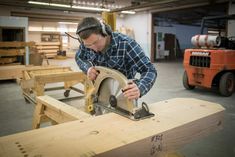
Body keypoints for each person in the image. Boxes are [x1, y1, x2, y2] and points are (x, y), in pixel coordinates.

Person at [75, 17, 157, 100]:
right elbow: (79, 57)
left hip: (123, 95)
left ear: (104, 32)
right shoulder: (86, 44)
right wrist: (88, 68)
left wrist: (140, 88)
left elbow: (149, 70)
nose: (94, 48)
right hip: (98, 93)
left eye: (96, 42)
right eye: (88, 45)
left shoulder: (126, 44)